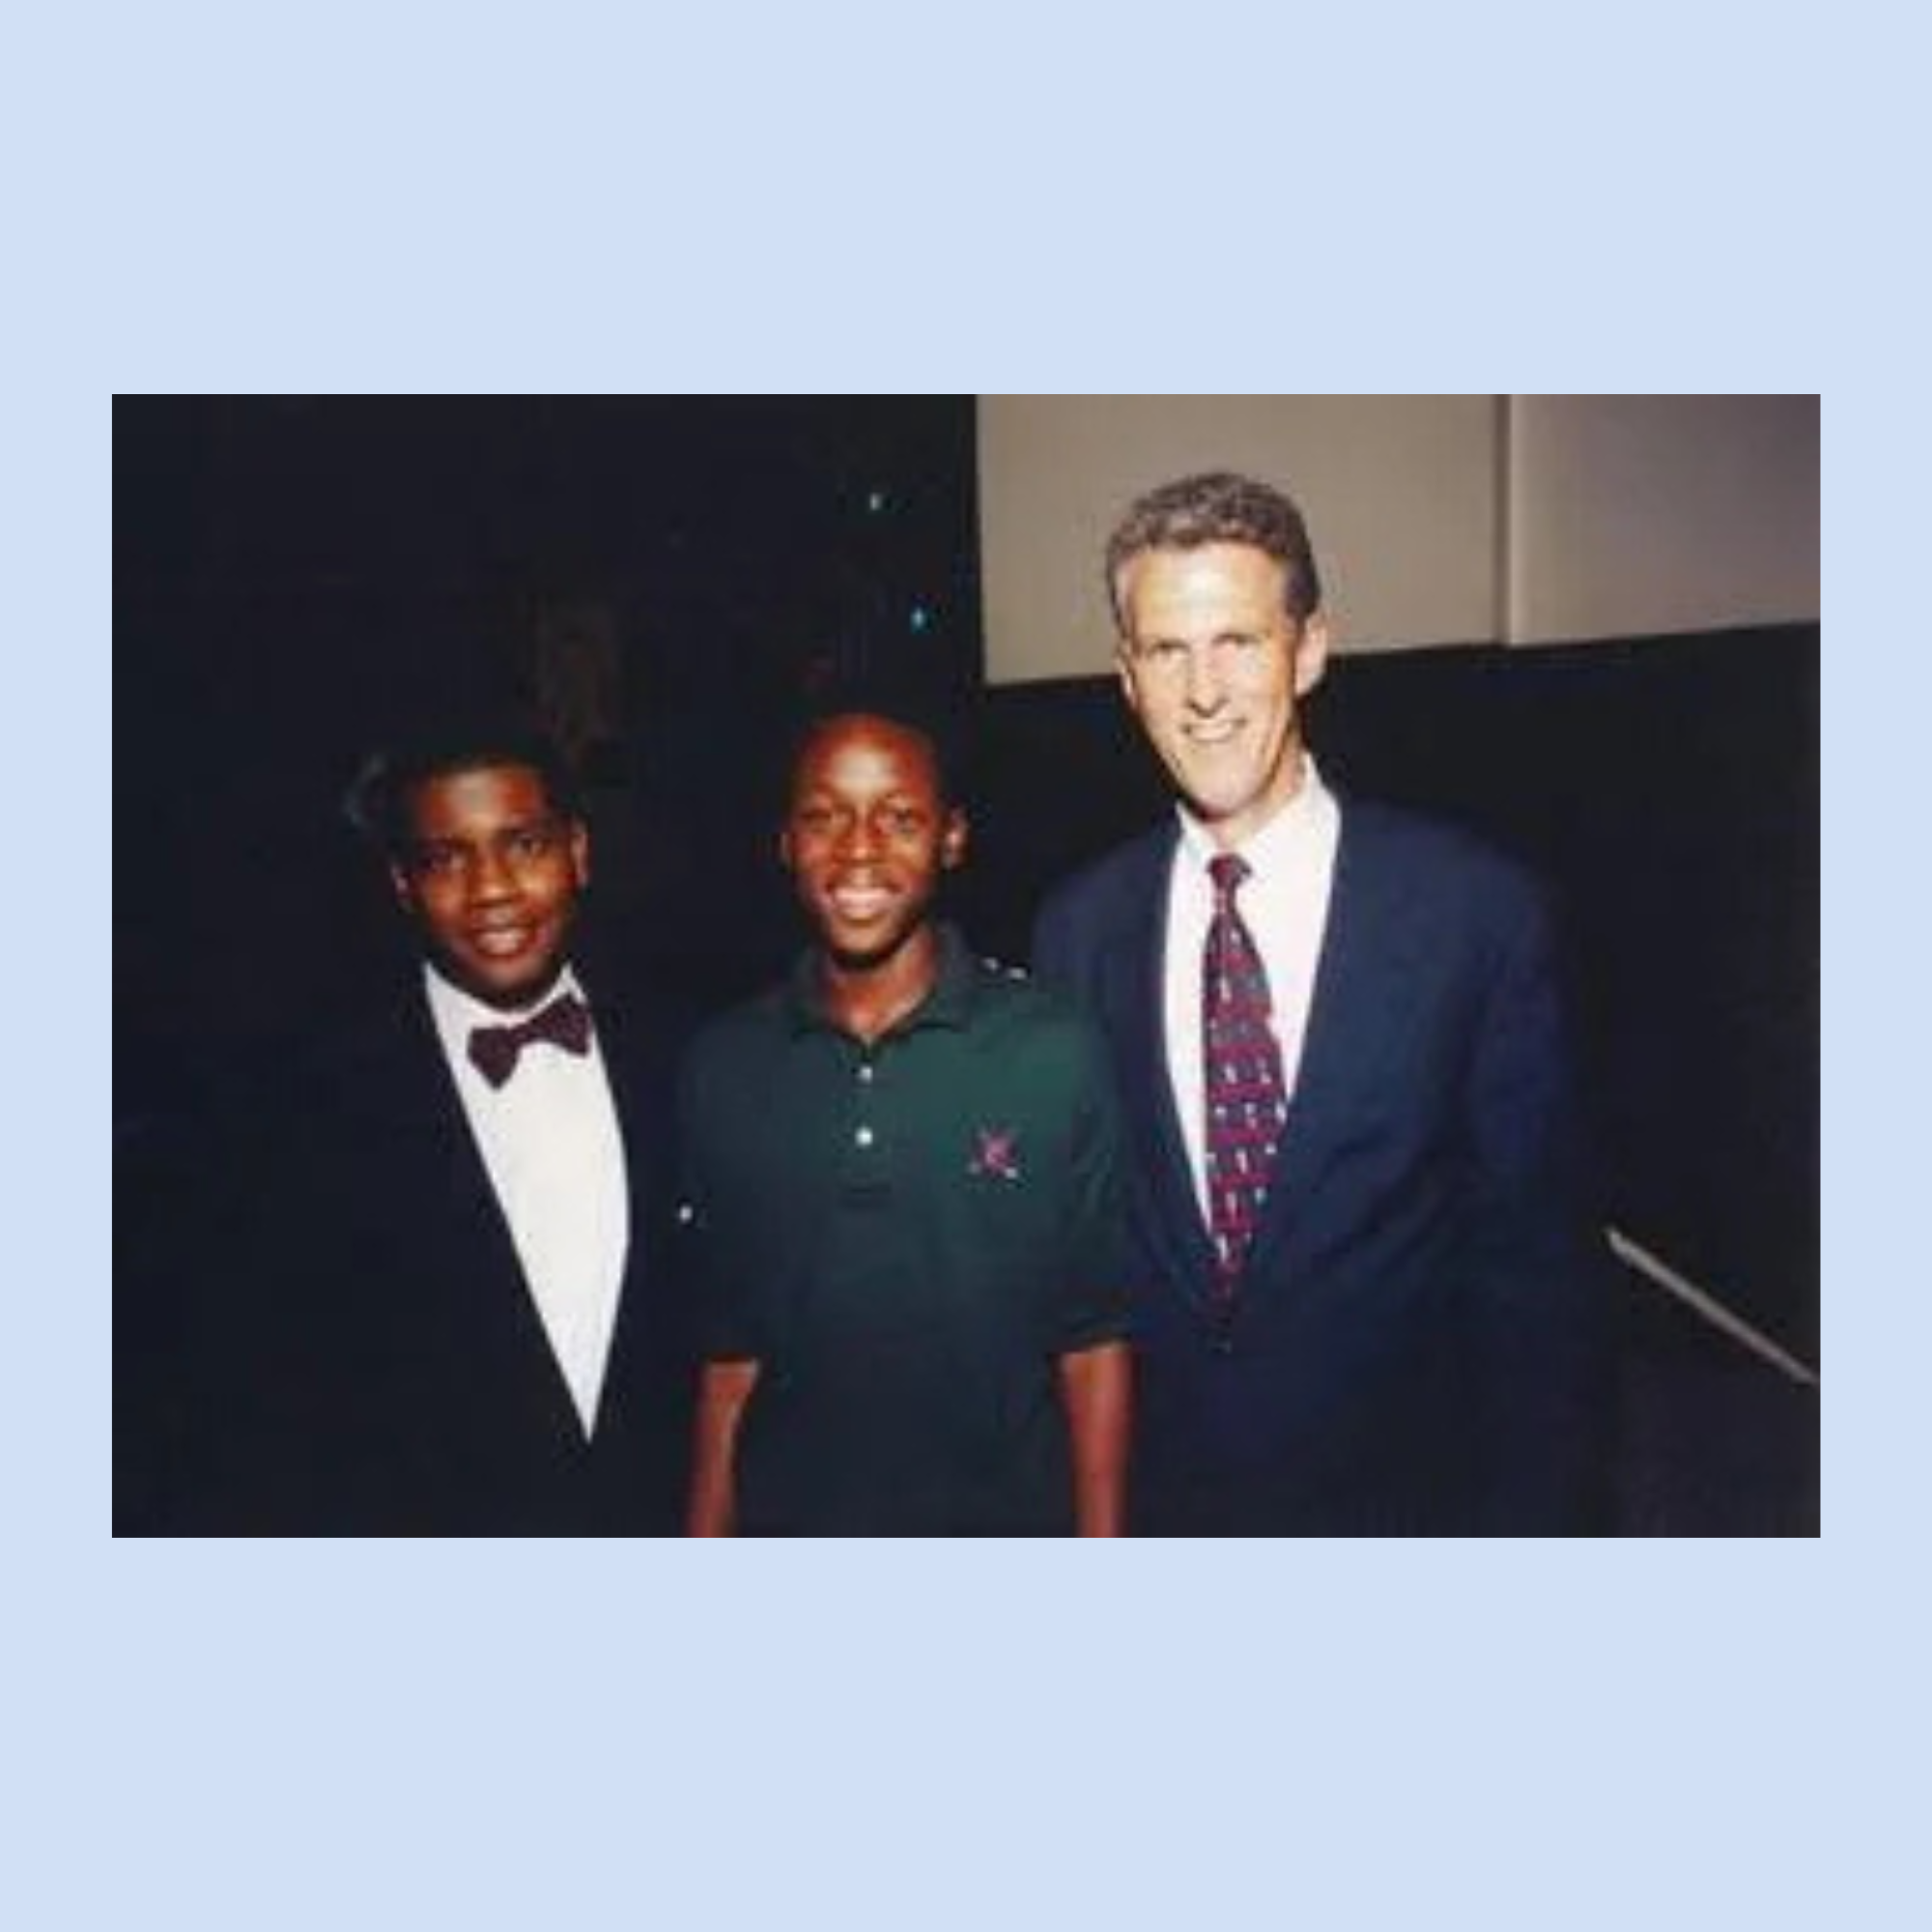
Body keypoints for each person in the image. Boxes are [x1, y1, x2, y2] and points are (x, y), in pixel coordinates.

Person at [1032, 472, 1609, 1534]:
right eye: (1166, 650)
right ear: (1126, 677)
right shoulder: (1076, 930)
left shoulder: (1475, 914)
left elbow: (1539, 1292)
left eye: (1238, 642)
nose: (1203, 690)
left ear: (1306, 650)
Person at [159, 718, 691, 1533]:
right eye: (447, 859)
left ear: (579, 852)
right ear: (402, 886)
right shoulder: (307, 1118)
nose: (493, 891)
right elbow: (268, 1421)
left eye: (524, 845)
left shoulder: (688, 1056)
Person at [681, 700, 1133, 1535]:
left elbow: (1093, 1341)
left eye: (899, 817)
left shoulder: (1053, 1048)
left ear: (952, 837)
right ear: (784, 841)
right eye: (824, 817)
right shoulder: (725, 1064)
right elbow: (729, 1357)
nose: (858, 848)